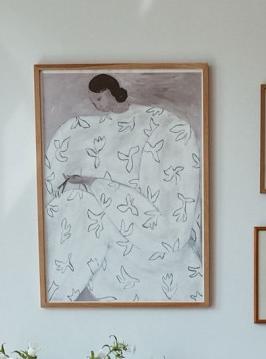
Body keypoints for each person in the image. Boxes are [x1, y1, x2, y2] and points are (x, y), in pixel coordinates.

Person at [42, 73, 204, 304]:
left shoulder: (157, 124)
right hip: (96, 220)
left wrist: (96, 183)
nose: (95, 105)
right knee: (71, 207)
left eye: (99, 99)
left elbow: (170, 208)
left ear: (111, 92)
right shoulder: (82, 129)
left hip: (139, 226)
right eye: (92, 100)